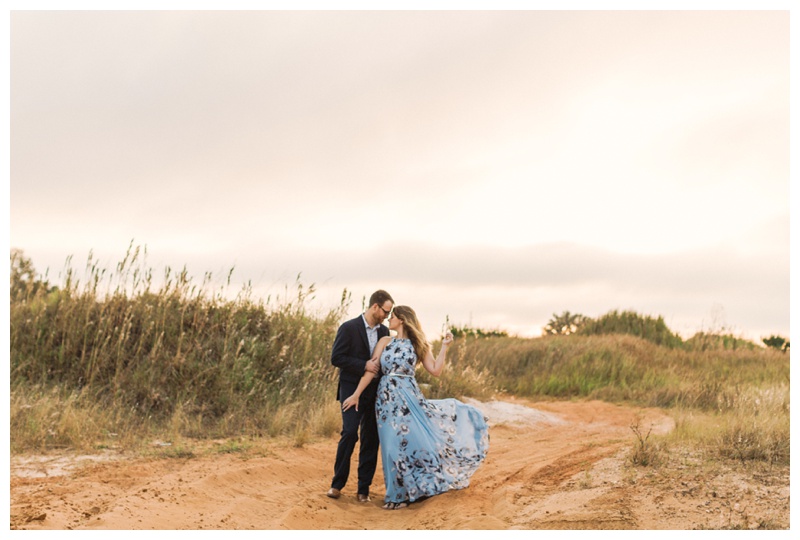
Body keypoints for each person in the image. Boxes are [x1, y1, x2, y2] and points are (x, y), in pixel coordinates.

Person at [342, 305, 489, 510]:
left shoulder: (419, 344)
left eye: (392, 317)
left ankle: (411, 491)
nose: (388, 320)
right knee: (391, 446)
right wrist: (356, 394)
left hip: (409, 397)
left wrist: (445, 347)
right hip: (385, 400)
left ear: (401, 319)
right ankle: (397, 493)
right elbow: (372, 371)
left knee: (412, 442)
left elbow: (435, 371)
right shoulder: (385, 342)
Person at [327, 290, 395, 503]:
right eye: (386, 311)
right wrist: (363, 365)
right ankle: (337, 485)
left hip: (375, 393)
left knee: (371, 438)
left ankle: (363, 489)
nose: (387, 315)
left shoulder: (385, 332)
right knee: (349, 433)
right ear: (375, 306)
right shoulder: (348, 328)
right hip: (350, 390)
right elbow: (336, 358)